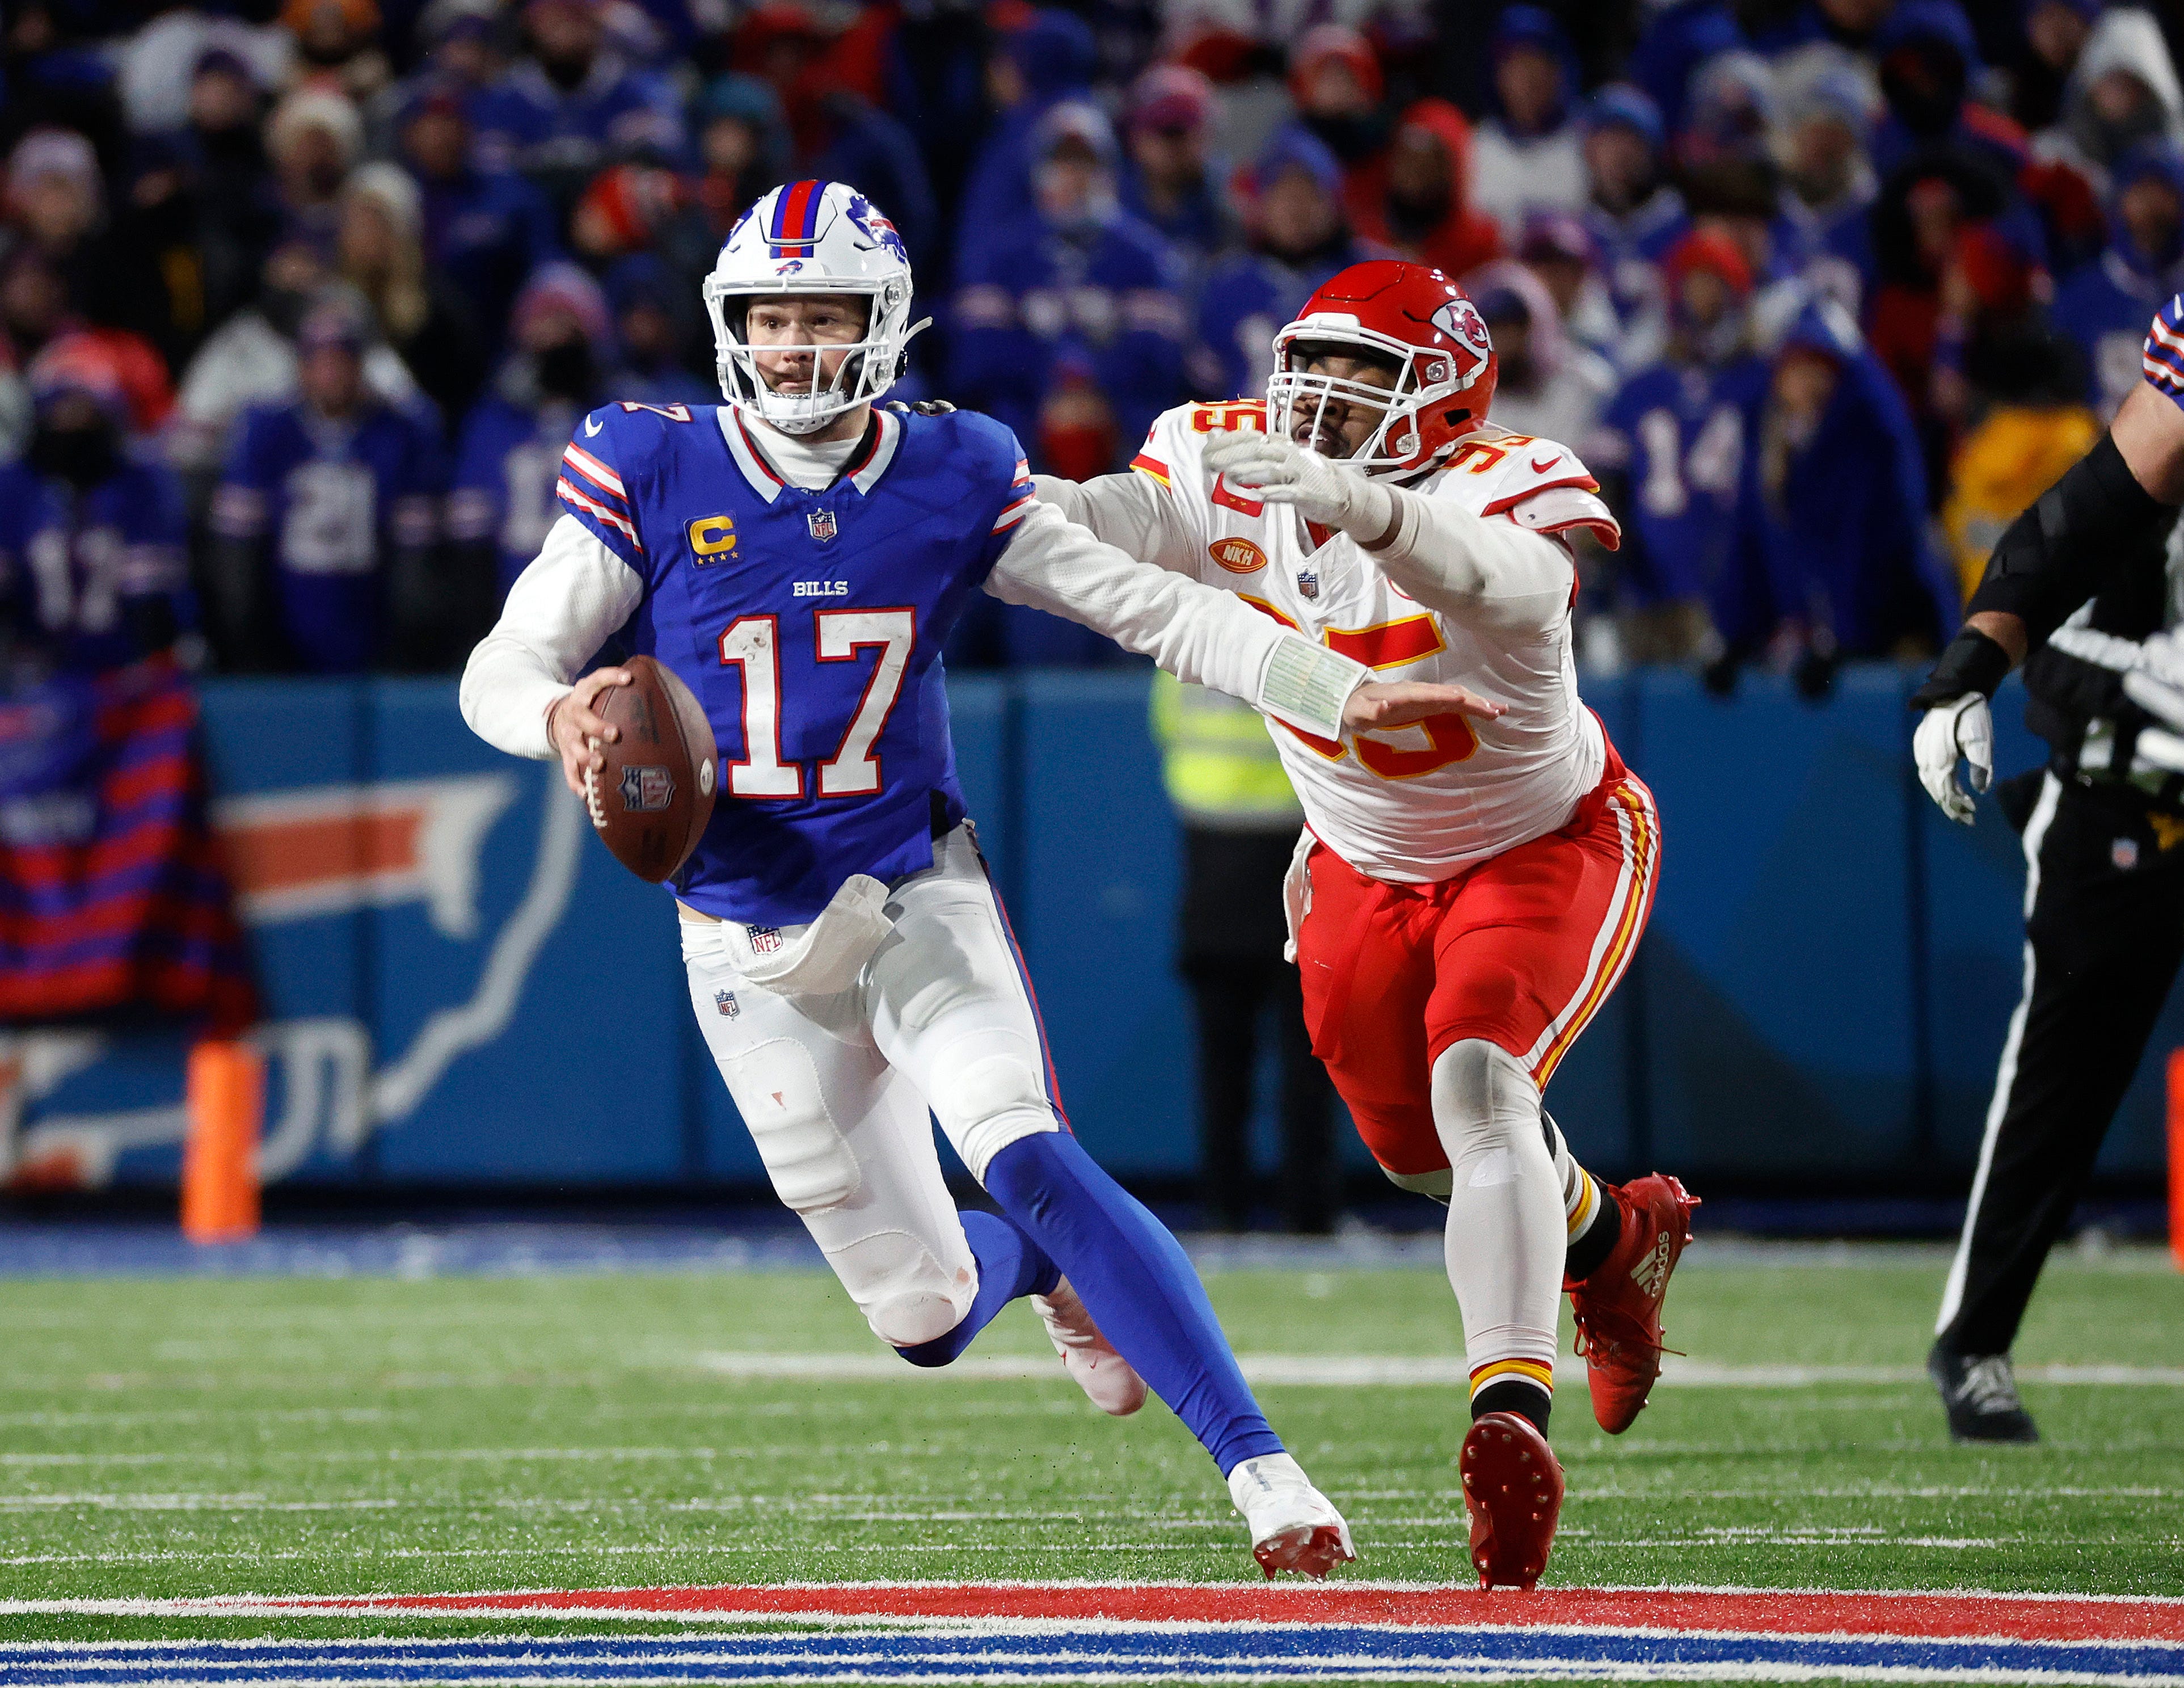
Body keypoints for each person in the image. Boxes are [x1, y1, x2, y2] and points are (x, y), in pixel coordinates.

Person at [458, 179, 1481, 1574]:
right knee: (925, 1318)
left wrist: (1330, 688)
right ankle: (1042, 1271)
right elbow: (501, 662)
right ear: (729, 326)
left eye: (828, 318)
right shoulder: (648, 460)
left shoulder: (951, 470)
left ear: (884, 326)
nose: (798, 350)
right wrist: (558, 716)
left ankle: (1265, 1472)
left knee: (1022, 1141)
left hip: (906, 895)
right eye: (773, 319)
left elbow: (1157, 608)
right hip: (740, 941)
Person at [1036, 259, 1698, 1589]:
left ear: (1447, 397)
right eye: (1315, 368)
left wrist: (1368, 509)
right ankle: (1615, 1240)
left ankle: (1510, 1420)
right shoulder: (1240, 462)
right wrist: (997, 501)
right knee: (1417, 1159)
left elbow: (1517, 585)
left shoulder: (1500, 478)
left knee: (1480, 1083)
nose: (1326, 398)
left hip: (1543, 844)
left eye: (1368, 375)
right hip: (1357, 861)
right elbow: (1110, 520)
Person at [1912, 293, 2184, 1443]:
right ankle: (1972, 1335)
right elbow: (2078, 523)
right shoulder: (2139, 463)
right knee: (2059, 1078)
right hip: (2130, 791)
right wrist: (1969, 665)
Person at [1150, 670, 1337, 1234]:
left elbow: (1166, 727)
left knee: (1221, 1056)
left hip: (1212, 855)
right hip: (1297, 853)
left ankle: (1223, 1209)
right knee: (1308, 1051)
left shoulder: (1179, 640)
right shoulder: (1303, 636)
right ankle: (1309, 1214)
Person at [209, 297, 445, 672]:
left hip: (369, 616)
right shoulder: (267, 429)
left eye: (340, 360)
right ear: (302, 368)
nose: (331, 373)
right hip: (288, 617)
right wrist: (250, 636)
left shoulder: (399, 433)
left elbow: (412, 568)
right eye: (319, 361)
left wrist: (406, 636)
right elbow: (240, 556)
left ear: (359, 365)